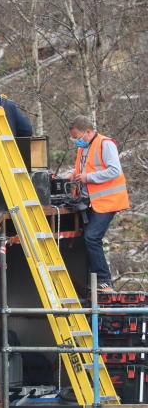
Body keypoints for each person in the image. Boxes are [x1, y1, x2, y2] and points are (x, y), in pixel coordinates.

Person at [68, 115, 130, 291]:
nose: (77, 141)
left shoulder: (105, 144)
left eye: (78, 137)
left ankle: (104, 282)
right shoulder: (85, 147)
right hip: (91, 201)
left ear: (88, 131)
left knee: (92, 237)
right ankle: (91, 280)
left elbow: (114, 170)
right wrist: (73, 174)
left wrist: (88, 178)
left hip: (107, 201)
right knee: (85, 238)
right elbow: (86, 168)